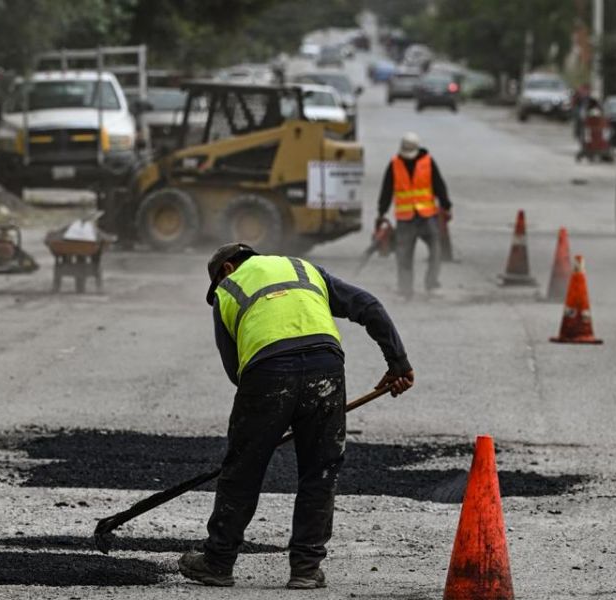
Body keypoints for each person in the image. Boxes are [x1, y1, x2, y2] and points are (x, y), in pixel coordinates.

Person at [179, 243, 415, 590]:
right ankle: (305, 568)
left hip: (267, 373)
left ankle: (218, 562)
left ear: (227, 268)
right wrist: (398, 364)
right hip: (326, 367)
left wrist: (270, 417)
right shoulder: (304, 269)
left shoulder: (227, 289)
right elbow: (368, 306)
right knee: (320, 469)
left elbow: (236, 372)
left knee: (243, 470)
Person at [377, 132, 453, 299]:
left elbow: (438, 184)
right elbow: (387, 189)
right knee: (403, 255)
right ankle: (405, 290)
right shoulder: (395, 164)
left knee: (436, 250)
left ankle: (432, 284)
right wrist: (382, 211)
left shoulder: (428, 162)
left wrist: (446, 205)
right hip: (406, 219)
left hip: (427, 215)